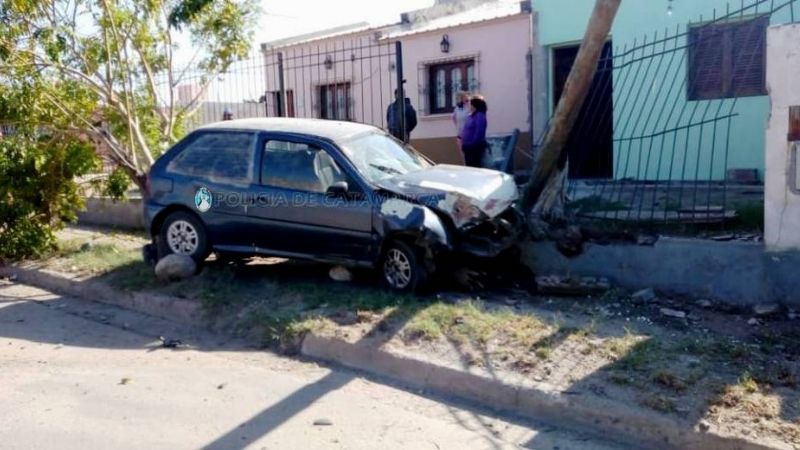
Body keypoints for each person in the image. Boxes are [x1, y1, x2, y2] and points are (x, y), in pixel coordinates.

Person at [460, 96, 488, 168]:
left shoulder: (479, 115)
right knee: (469, 167)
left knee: (474, 167)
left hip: (474, 147)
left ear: (475, 105)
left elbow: (479, 131)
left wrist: (472, 144)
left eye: (471, 104)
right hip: (467, 147)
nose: (469, 106)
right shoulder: (471, 116)